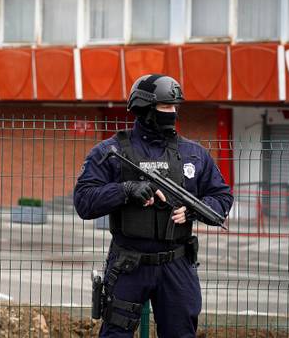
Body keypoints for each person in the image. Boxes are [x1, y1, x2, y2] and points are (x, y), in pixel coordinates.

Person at [74, 74, 233, 337]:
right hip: (128, 263)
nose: (172, 112)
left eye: (175, 107)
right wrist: (125, 190)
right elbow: (84, 201)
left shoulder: (194, 154)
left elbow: (222, 198)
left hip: (177, 265)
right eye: (165, 107)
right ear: (145, 109)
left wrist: (195, 209)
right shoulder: (111, 151)